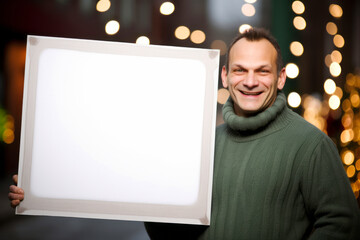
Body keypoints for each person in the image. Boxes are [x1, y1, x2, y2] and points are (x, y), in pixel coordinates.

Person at [9, 28, 360, 239]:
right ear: (225, 77)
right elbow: (173, 228)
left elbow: (341, 223)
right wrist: (39, 188)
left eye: (262, 71)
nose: (250, 81)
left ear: (280, 78)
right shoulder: (202, 146)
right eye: (239, 70)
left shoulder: (310, 145)